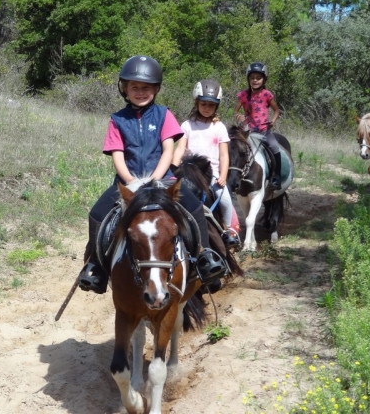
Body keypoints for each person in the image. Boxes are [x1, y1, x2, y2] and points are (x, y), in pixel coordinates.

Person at [77, 56, 227, 294]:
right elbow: (117, 155)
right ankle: (96, 266)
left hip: (163, 179)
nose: (140, 92)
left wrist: (156, 178)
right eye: (134, 87)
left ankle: (203, 256)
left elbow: (168, 149)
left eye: (146, 87)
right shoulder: (117, 120)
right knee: (97, 214)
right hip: (128, 180)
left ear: (156, 89)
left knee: (196, 208)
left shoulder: (163, 114)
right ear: (124, 89)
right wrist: (131, 182)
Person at [172, 79, 240, 247]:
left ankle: (228, 230)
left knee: (224, 199)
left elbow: (224, 155)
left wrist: (223, 176)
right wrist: (173, 171)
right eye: (203, 104)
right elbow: (180, 149)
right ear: (197, 103)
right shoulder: (187, 125)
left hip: (211, 174)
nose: (207, 108)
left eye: (211, 105)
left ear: (216, 106)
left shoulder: (219, 127)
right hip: (188, 173)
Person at [234, 62, 282, 190]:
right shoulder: (243, 95)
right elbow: (236, 111)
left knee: (275, 148)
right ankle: (232, 176)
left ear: (264, 79)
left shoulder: (267, 94)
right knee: (234, 147)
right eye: (252, 78)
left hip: (263, 130)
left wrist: (273, 120)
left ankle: (276, 177)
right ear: (248, 79)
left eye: (258, 78)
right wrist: (239, 116)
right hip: (247, 131)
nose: (255, 80)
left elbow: (277, 110)